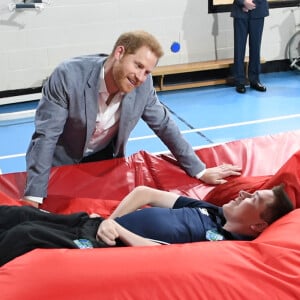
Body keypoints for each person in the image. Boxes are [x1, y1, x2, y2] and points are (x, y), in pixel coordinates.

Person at [24, 30, 241, 207]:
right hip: (62, 162)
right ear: (119, 52)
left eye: (147, 71)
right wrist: (34, 196)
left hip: (103, 160)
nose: (140, 77)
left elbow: (164, 125)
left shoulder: (143, 86)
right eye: (138, 65)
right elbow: (45, 136)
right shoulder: (68, 76)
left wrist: (199, 169)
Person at [0, 184, 293, 266]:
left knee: (24, 234)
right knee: (15, 215)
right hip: (99, 226)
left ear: (258, 225)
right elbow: (145, 193)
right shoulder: (210, 211)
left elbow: (165, 258)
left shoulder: (227, 247)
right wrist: (110, 221)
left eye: (253, 198)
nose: (243, 193)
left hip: (108, 246)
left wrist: (118, 232)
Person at [231, 0, 269, 94]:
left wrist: (251, 3)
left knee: (256, 47)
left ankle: (254, 80)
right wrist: (243, 2)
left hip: (258, 9)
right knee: (239, 48)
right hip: (240, 10)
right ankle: (239, 81)